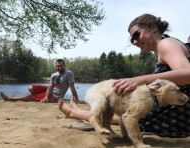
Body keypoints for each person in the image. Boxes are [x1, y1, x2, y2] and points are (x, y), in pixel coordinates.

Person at [58, 13, 190, 138]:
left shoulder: (165, 44)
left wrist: (139, 80)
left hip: (178, 114)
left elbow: (188, 74)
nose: (134, 42)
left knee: (131, 115)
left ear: (153, 27)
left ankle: (75, 112)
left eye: (136, 35)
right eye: (132, 39)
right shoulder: (165, 44)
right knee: (125, 109)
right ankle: (77, 111)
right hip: (175, 109)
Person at [0, 59, 79, 103]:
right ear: (56, 66)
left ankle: (10, 98)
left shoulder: (69, 74)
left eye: (61, 66)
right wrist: (46, 95)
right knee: (31, 88)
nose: (59, 67)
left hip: (55, 96)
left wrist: (76, 99)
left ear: (64, 65)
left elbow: (72, 88)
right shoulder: (53, 74)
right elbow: (51, 87)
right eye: (58, 66)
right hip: (49, 90)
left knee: (31, 96)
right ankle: (37, 95)